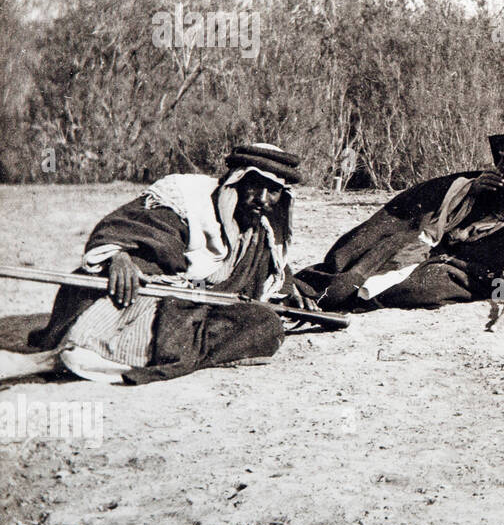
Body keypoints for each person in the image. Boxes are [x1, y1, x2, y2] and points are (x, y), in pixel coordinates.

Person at [6, 144, 314, 385]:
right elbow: (124, 228)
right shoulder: (187, 200)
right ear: (235, 182)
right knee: (114, 309)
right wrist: (119, 257)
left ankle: (127, 359)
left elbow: (269, 273)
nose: (262, 199)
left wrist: (290, 289)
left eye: (272, 191)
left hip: (199, 309)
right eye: (253, 186)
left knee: (265, 325)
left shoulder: (263, 233)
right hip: (149, 295)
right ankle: (69, 359)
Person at [297, 121, 504, 311]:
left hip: (473, 272)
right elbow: (421, 217)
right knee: (369, 254)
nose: (501, 167)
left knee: (416, 288)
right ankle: (315, 289)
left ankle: (352, 299)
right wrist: (471, 193)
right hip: (430, 251)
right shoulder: (482, 185)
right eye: (500, 159)